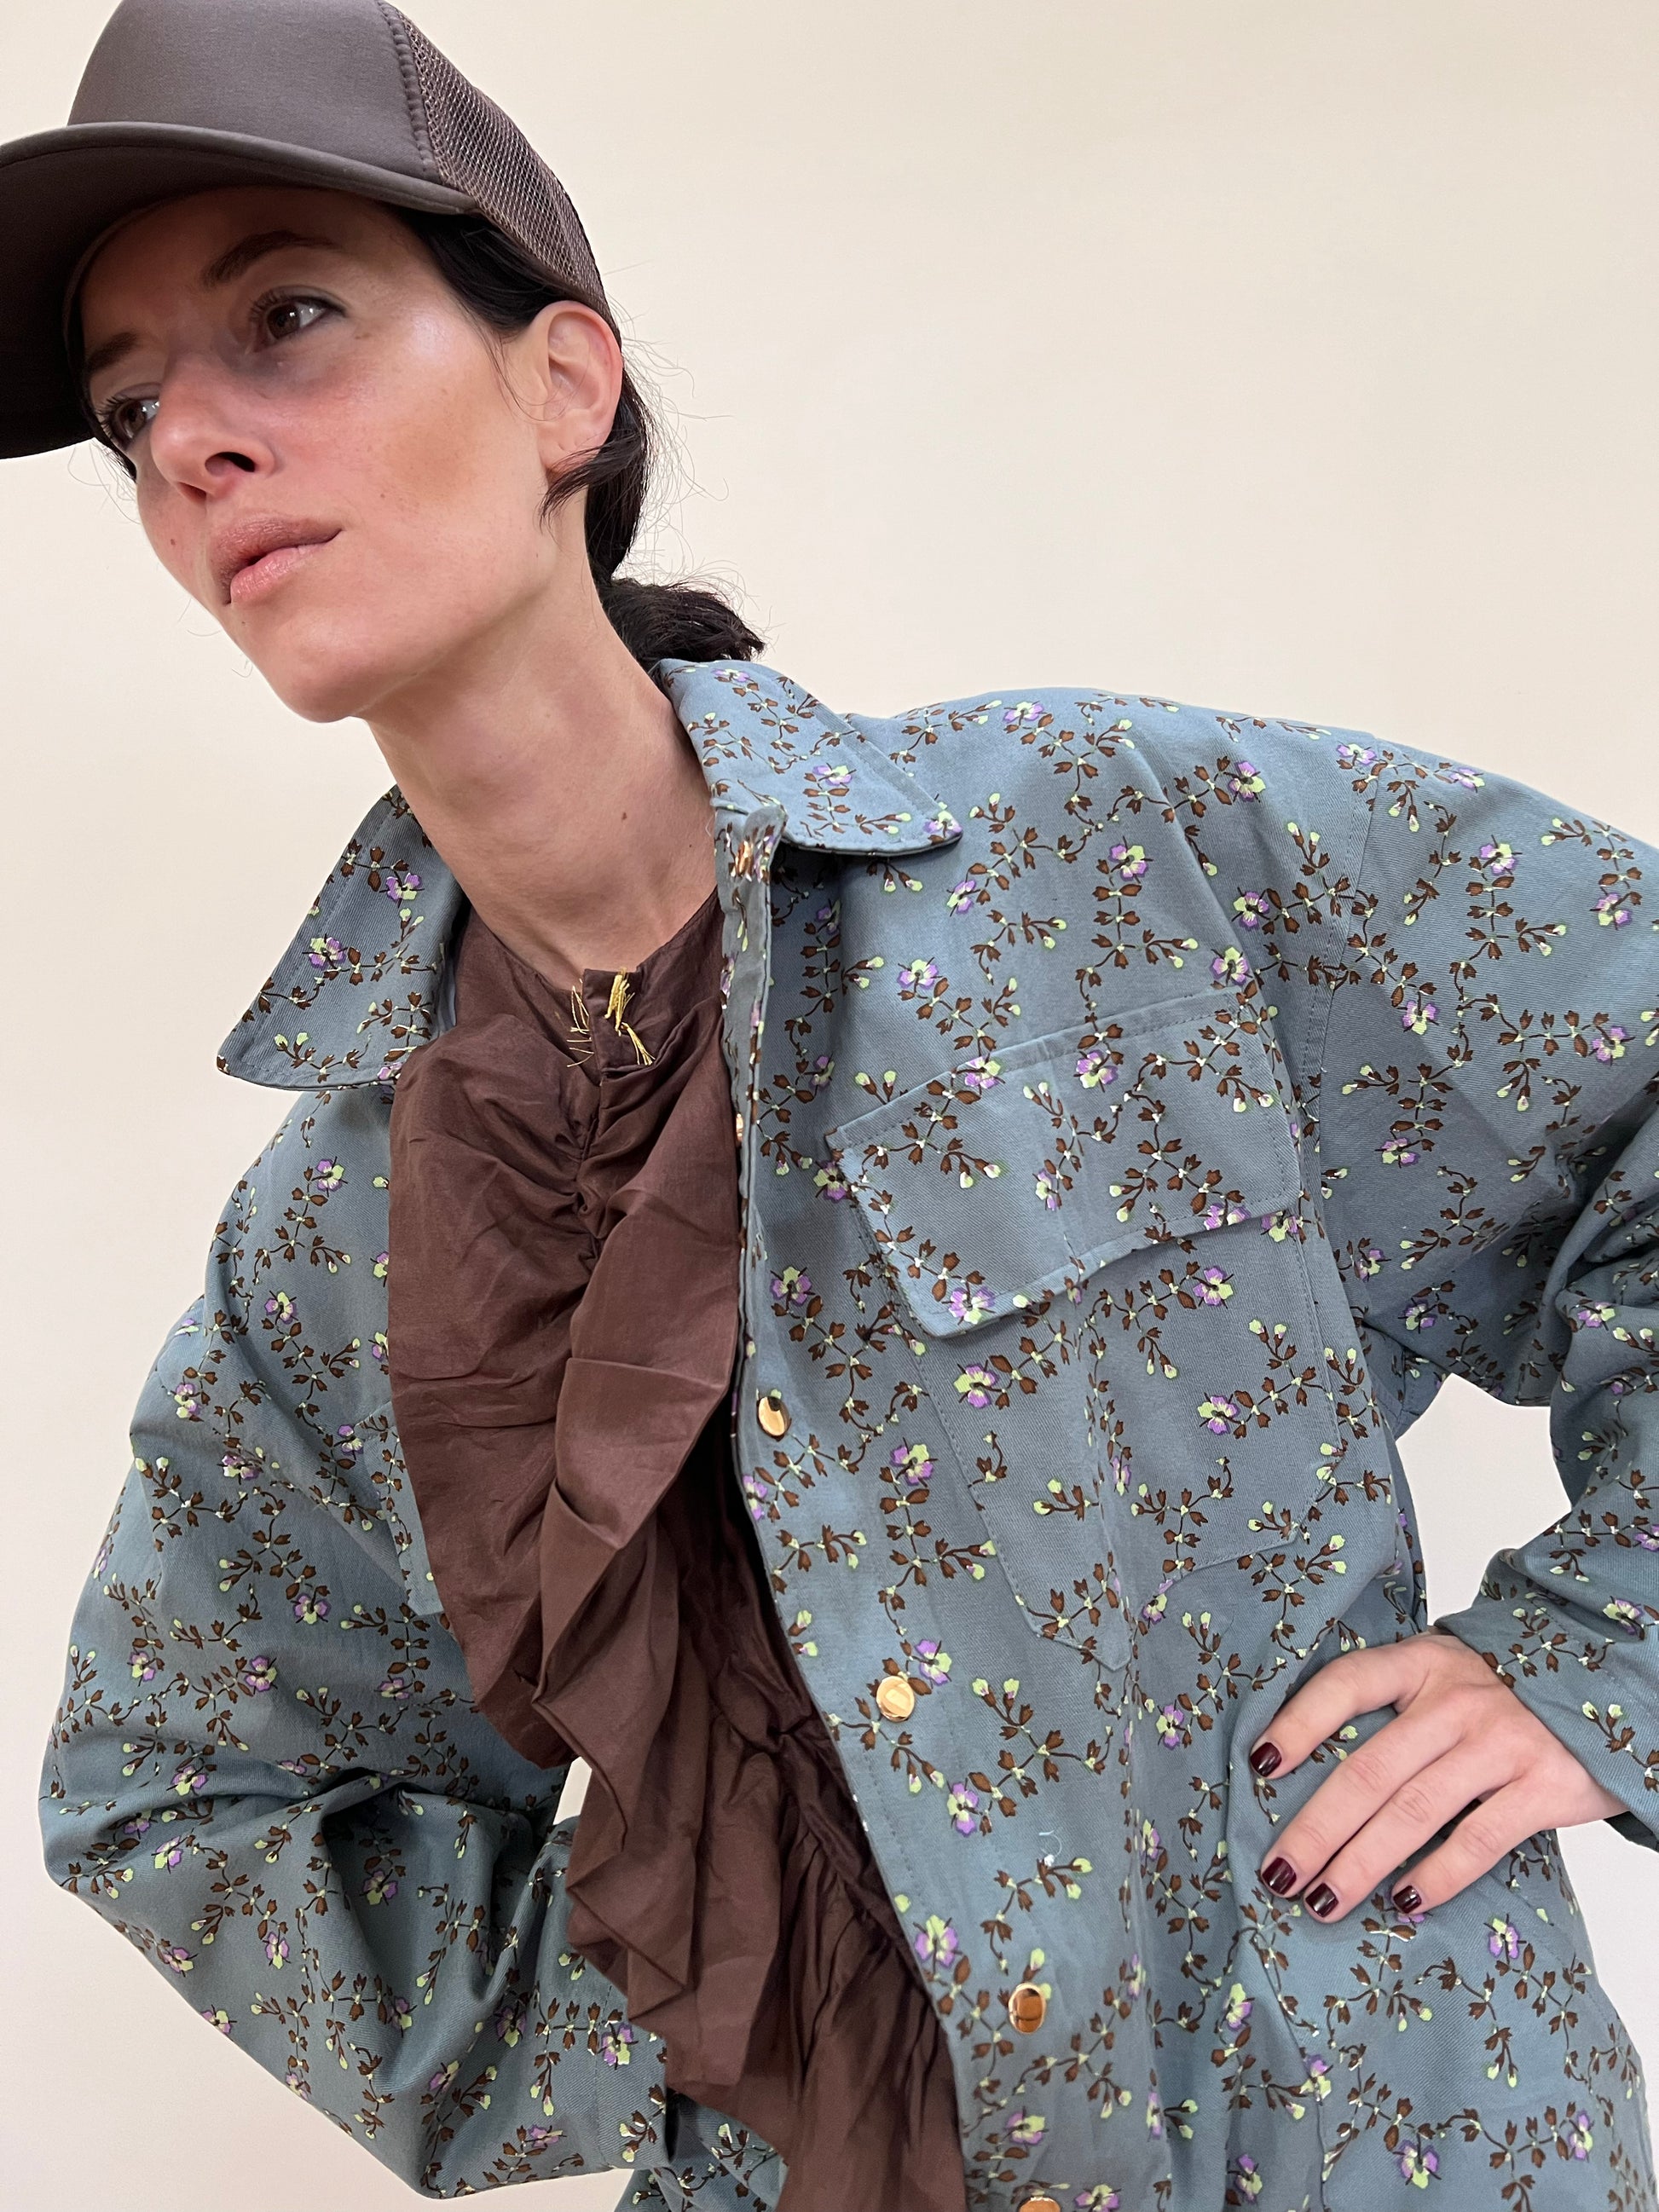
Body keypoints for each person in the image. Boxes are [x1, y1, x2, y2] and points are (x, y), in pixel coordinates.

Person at [11, 3, 1658, 2209]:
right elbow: (178, 1792)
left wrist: (1597, 1657)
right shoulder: (346, 1230)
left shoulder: (1114, 858)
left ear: (564, 386)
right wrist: (709, 1989)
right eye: (129, 409)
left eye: (286, 318)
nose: (192, 443)